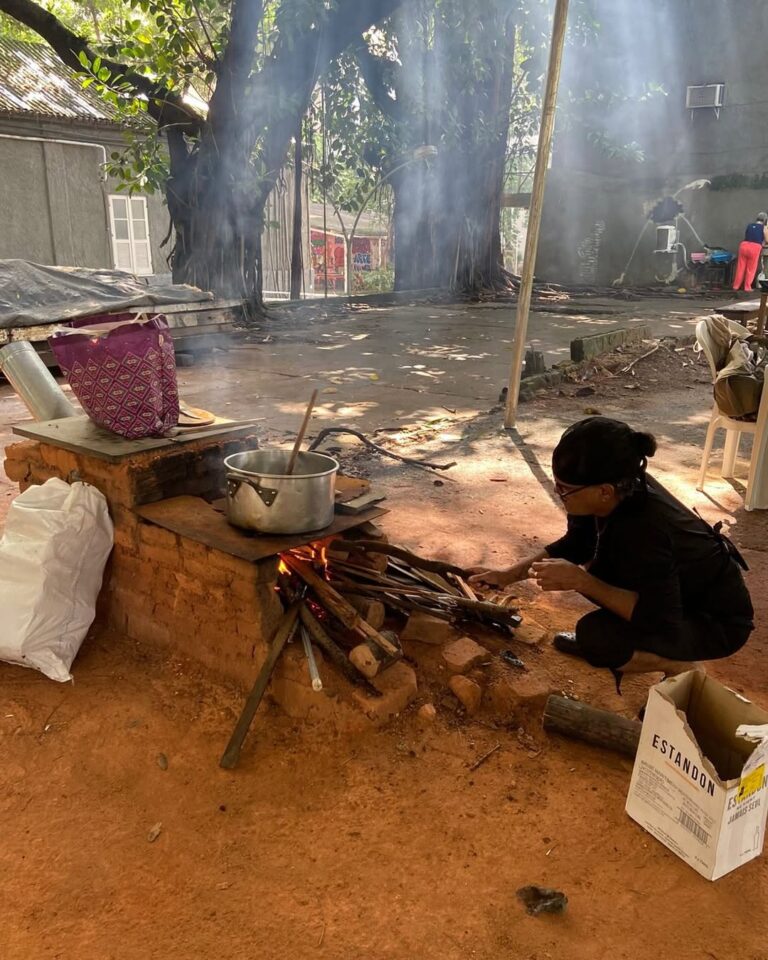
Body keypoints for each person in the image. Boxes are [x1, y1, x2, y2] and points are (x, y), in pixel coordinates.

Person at [470, 417, 754, 691]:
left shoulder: (645, 529)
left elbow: (658, 617)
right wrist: (507, 576)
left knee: (597, 637)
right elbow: (577, 544)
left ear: (604, 491)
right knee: (599, 565)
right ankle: (639, 649)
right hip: (671, 597)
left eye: (565, 490)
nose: (558, 493)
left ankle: (680, 666)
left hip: (714, 622)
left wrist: (582, 582)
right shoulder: (614, 488)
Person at [732, 212, 768, 291]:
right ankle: (747, 287)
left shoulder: (749, 225)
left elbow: (748, 235)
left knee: (740, 267)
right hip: (754, 247)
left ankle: (736, 286)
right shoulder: (764, 227)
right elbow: (767, 239)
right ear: (765, 220)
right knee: (751, 268)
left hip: (744, 245)